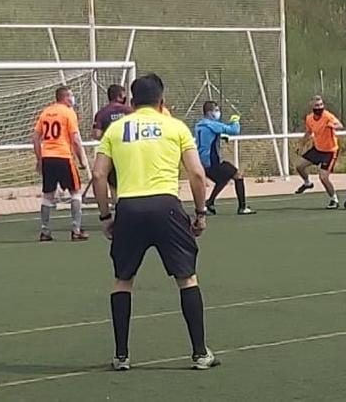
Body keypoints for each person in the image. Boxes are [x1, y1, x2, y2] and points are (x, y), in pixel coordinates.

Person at [92, 73, 219, 371]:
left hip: (129, 208)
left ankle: (121, 356)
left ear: (132, 102)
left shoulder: (116, 129)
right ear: (161, 100)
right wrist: (200, 213)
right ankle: (200, 353)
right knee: (186, 278)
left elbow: (98, 175)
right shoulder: (175, 127)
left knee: (123, 280)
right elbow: (197, 174)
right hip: (167, 207)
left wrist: (106, 216)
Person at [32, 86, 90, 242]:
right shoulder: (68, 113)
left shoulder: (45, 112)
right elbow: (75, 139)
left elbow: (35, 138)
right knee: (75, 192)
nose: (73, 98)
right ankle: (76, 230)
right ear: (65, 97)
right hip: (63, 156)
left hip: (47, 157)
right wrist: (82, 160)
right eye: (71, 95)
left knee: (47, 195)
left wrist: (39, 159)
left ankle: (45, 231)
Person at [194, 101, 255, 215]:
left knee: (222, 180)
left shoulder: (199, 126)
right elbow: (234, 130)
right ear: (209, 112)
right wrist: (235, 121)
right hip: (212, 162)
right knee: (237, 175)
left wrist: (221, 136)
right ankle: (242, 207)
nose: (218, 113)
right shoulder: (213, 125)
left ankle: (210, 203)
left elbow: (207, 138)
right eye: (216, 110)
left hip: (201, 162)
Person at [293, 95, 344, 209]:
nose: (319, 107)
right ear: (312, 106)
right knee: (299, 166)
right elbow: (308, 132)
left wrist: (333, 125)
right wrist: (301, 145)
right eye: (317, 105)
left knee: (323, 177)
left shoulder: (327, 116)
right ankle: (307, 183)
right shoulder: (309, 118)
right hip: (317, 149)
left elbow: (340, 125)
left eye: (321, 105)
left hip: (330, 151)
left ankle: (334, 199)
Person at [93, 83, 132, 192]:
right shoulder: (130, 111)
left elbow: (96, 135)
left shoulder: (101, 113)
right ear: (120, 96)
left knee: (113, 184)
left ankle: (115, 202)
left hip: (111, 153)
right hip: (129, 151)